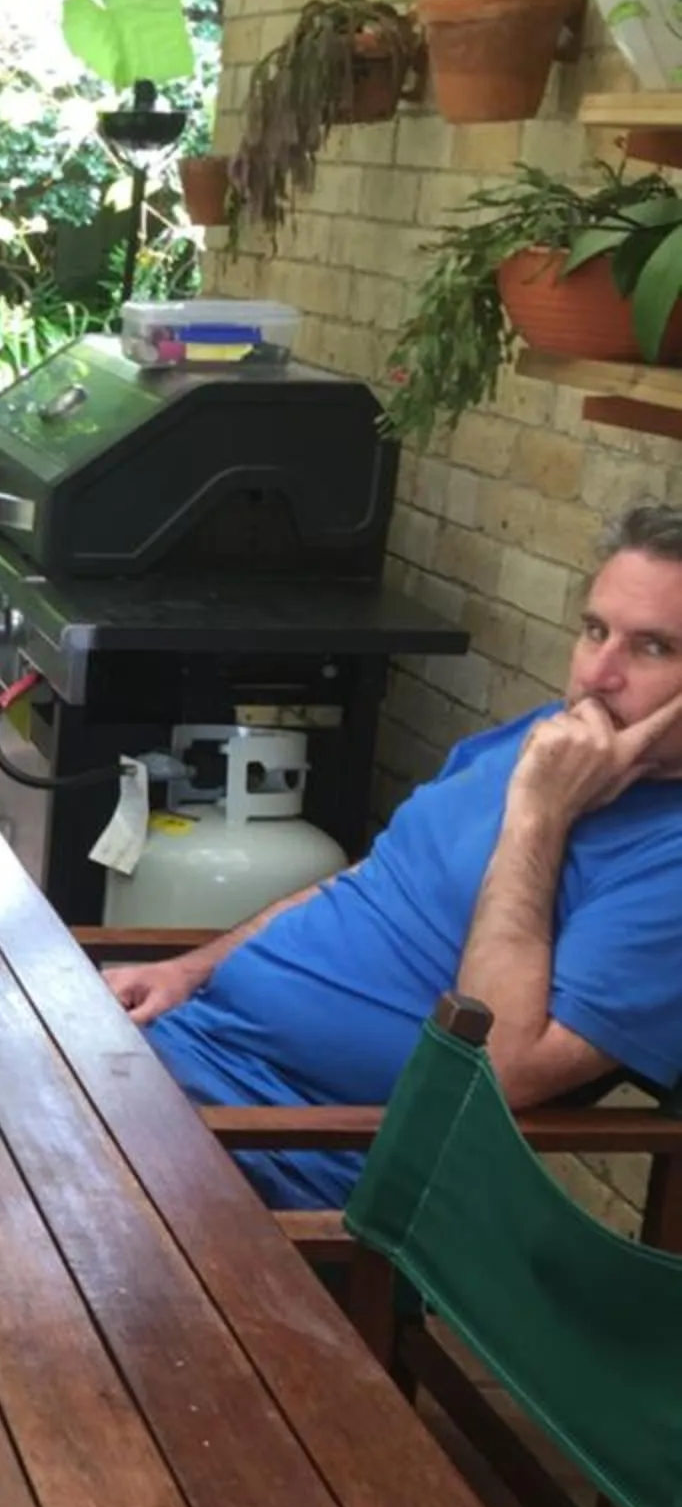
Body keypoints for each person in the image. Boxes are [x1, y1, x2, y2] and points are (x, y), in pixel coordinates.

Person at [109, 502, 682, 1208]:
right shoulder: (539, 735)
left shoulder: (658, 853)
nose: (598, 673)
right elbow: (374, 881)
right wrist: (191, 970)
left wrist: (538, 814)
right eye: (595, 630)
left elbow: (499, 1071)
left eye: (653, 648)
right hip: (182, 1056)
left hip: (291, 1156)